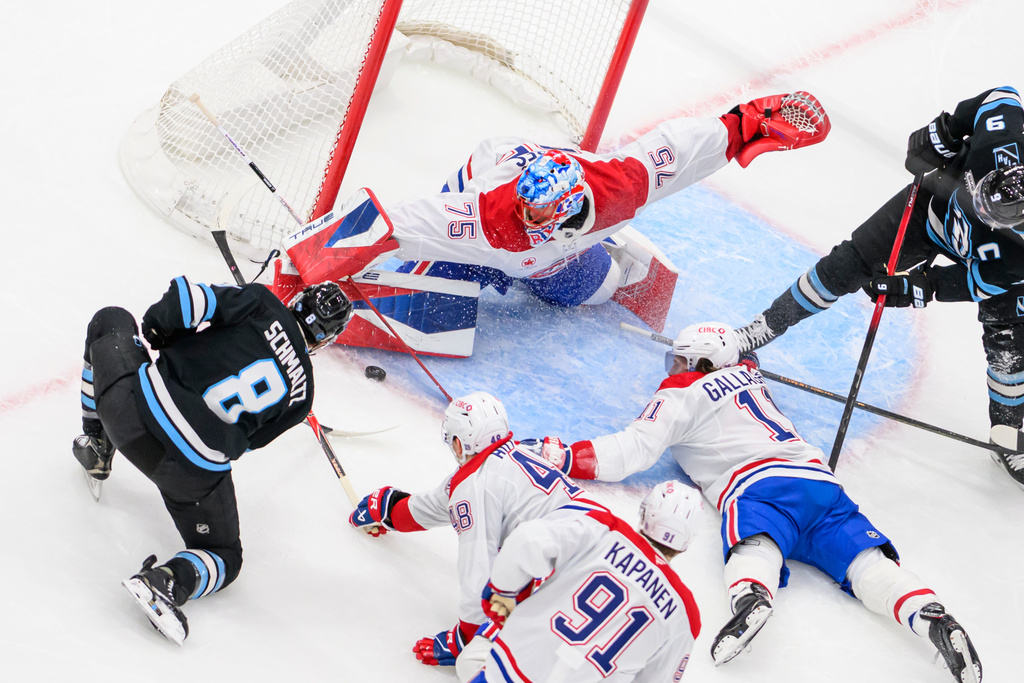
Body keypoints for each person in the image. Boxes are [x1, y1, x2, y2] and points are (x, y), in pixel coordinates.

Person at [545, 323, 982, 682]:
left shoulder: (681, 392)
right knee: (867, 563)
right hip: (819, 482)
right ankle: (930, 616)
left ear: (699, 364)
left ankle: (752, 598)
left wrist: (564, 456)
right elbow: (748, 356)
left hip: (759, 485)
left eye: (680, 359)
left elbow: (629, 452)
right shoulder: (750, 372)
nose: (673, 365)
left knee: (756, 543)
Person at [295, 92, 830, 316]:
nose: (526, 218)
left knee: (589, 294)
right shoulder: (485, 215)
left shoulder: (620, 185)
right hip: (479, 211)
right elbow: (397, 222)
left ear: (570, 205)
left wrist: (742, 124)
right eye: (525, 210)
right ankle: (455, 272)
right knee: (430, 278)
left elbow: (681, 149)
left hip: (564, 251)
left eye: (538, 214)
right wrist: (309, 265)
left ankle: (610, 258)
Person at [731, 85, 1024, 490]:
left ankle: (1008, 434)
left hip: (998, 268)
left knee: (1009, 345)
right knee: (846, 264)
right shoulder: (1002, 137)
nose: (977, 208)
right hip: (932, 211)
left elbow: (977, 281)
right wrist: (940, 135)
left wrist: (917, 287)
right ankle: (763, 327)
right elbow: (1000, 95)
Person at [72, 275, 353, 645]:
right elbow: (247, 445)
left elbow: (183, 302)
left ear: (297, 299)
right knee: (226, 556)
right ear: (327, 340)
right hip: (188, 472)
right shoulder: (303, 397)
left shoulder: (260, 301)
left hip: (130, 414)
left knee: (110, 320)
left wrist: (161, 332)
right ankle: (168, 582)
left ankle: (96, 444)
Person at [347, 390, 606, 670]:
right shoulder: (513, 456)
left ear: (460, 442)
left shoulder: (476, 485)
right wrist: (389, 510)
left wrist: (465, 638)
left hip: (576, 579)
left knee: (474, 665)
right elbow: (440, 503)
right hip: (614, 544)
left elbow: (478, 567)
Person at [454, 480, 703, 683]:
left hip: (511, 670)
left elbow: (527, 540)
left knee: (471, 660)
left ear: (644, 513)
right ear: (688, 541)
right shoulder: (685, 613)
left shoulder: (605, 529)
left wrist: (501, 593)